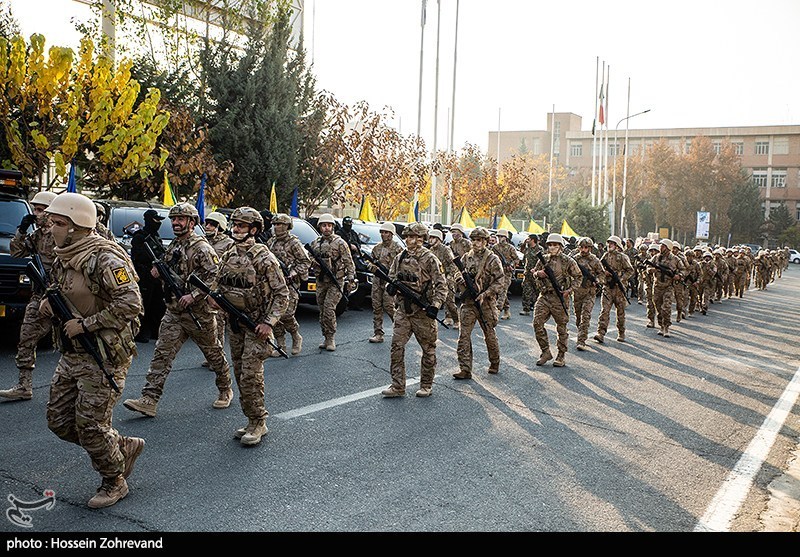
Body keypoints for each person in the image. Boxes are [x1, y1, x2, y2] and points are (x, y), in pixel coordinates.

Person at [39, 192, 144, 509]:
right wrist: (48, 303)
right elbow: (62, 288)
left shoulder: (106, 258)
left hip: (102, 355)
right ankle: (119, 446)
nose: (51, 229)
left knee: (91, 427)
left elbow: (131, 303)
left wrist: (86, 324)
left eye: (58, 223)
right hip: (72, 353)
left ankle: (114, 480)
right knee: (59, 421)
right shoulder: (66, 255)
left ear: (76, 226)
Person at [123, 203, 233, 417]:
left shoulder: (202, 248)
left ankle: (225, 389)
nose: (175, 223)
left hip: (199, 314)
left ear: (192, 223)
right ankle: (149, 399)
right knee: (161, 355)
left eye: (181, 219)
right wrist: (157, 271)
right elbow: (168, 268)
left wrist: (194, 295)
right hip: (174, 312)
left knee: (213, 354)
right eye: (174, 219)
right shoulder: (174, 244)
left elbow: (216, 276)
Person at [209, 207, 289, 445]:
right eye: (234, 225)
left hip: (256, 326)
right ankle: (250, 419)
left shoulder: (264, 258)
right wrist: (213, 296)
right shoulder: (229, 254)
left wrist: (268, 322)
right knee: (238, 371)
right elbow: (217, 282)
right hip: (235, 324)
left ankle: (258, 421)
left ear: (253, 229)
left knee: (250, 376)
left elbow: (282, 294)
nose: (236, 229)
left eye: (241, 226)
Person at [1, 191, 57, 401]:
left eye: (40, 210)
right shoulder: (37, 235)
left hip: (64, 295)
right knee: (26, 337)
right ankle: (24, 386)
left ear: (50, 212)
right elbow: (16, 252)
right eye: (35, 209)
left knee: (73, 343)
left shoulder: (62, 234)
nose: (36, 213)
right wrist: (22, 230)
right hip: (40, 294)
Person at [380, 223, 448, 398]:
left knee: (428, 349)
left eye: (412, 237)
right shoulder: (400, 257)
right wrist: (390, 288)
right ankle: (397, 386)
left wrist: (436, 305)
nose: (408, 240)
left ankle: (426, 384)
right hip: (403, 310)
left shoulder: (430, 259)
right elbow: (392, 277)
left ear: (421, 239)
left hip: (422, 312)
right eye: (407, 237)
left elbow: (441, 285)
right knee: (396, 347)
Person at [452, 226, 505, 379]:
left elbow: (500, 282)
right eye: (474, 240)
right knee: (463, 336)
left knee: (489, 334)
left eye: (479, 240)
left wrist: (486, 293)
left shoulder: (492, 259)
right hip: (468, 302)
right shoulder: (466, 257)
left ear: (485, 241)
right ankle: (465, 368)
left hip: (485, 303)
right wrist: (459, 278)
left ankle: (494, 362)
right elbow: (456, 272)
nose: (476, 243)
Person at [307, 213, 356, 351]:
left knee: (329, 309)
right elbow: (308, 257)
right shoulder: (315, 243)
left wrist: (351, 279)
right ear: (320, 227)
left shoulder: (340, 243)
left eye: (329, 225)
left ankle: (331, 338)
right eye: (324, 225)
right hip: (321, 281)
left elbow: (348, 261)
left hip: (336, 281)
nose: (327, 228)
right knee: (322, 310)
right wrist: (314, 262)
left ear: (333, 227)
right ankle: (325, 336)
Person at [531, 233, 582, 367]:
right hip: (545, 296)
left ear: (560, 246)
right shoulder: (543, 259)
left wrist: (569, 291)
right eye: (550, 245)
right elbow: (535, 272)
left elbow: (578, 277)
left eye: (555, 245)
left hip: (560, 298)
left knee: (561, 328)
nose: (552, 247)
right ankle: (545, 351)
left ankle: (561, 355)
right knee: (537, 323)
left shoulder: (568, 261)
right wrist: (538, 274)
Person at [266, 213, 311, 356]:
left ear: (287, 226)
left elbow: (305, 261)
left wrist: (293, 272)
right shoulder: (271, 242)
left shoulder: (294, 243)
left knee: (287, 314)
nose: (276, 227)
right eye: (275, 224)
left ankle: (296, 336)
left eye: (280, 224)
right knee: (274, 315)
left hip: (290, 285)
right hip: (274, 284)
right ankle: (281, 345)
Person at [200, 211, 234, 366]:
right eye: (207, 223)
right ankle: (211, 356)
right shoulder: (202, 241)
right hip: (203, 287)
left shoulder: (228, 243)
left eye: (212, 224)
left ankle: (218, 359)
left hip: (219, 289)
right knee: (206, 326)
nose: (207, 226)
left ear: (220, 227)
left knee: (218, 324)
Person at [129, 209, 166, 343]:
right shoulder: (140, 236)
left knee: (157, 303)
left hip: (156, 276)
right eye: (155, 220)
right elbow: (138, 256)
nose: (158, 223)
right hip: (144, 275)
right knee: (144, 303)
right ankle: (140, 331)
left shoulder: (155, 236)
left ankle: (154, 330)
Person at [366, 222, 403, 343]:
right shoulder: (377, 248)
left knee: (389, 306)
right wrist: (371, 267)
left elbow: (403, 265)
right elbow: (370, 261)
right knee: (376, 306)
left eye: (386, 232)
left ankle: (399, 329)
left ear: (392, 234)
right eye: (382, 232)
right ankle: (378, 333)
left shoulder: (398, 249)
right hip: (377, 280)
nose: (383, 235)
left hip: (390, 281)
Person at [594, 235, 635, 343]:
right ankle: (601, 333)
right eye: (609, 243)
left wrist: (621, 279)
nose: (609, 245)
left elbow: (630, 270)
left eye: (612, 243)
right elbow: (599, 268)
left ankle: (621, 332)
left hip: (619, 289)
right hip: (607, 287)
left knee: (620, 312)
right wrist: (604, 273)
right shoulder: (605, 256)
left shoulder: (622, 257)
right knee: (604, 311)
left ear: (617, 245)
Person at [571, 237, 604, 351]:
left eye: (586, 247)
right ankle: (581, 331)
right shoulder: (574, 259)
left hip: (589, 292)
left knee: (585, 316)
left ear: (590, 248)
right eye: (581, 247)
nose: (583, 250)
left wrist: (597, 280)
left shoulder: (595, 260)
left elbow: (601, 274)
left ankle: (581, 340)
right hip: (577, 292)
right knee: (578, 317)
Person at [648, 238, 684, 338]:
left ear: (668, 248)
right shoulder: (656, 257)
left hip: (668, 286)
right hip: (657, 286)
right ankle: (661, 325)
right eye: (660, 246)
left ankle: (666, 327)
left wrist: (679, 276)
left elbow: (684, 270)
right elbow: (648, 267)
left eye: (663, 246)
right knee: (658, 307)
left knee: (666, 307)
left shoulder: (675, 259)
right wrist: (651, 270)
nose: (660, 248)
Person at [426, 228, 460, 329]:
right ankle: (448, 317)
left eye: (433, 238)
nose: (430, 240)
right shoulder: (430, 251)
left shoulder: (446, 249)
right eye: (430, 237)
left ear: (439, 239)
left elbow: (453, 264)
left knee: (449, 301)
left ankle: (456, 320)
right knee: (438, 299)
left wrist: (449, 277)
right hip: (436, 279)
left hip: (447, 277)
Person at [491, 229, 519, 320]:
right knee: (500, 292)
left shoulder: (511, 248)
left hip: (506, 273)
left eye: (501, 236)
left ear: (505, 237)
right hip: (497, 273)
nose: (499, 238)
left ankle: (497, 311)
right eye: (498, 236)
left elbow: (516, 259)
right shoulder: (494, 247)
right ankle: (506, 309)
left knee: (502, 290)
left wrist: (511, 265)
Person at [519, 233, 542, 316]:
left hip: (536, 274)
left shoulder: (540, 249)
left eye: (528, 239)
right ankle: (526, 309)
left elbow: (543, 262)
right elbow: (521, 251)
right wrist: (524, 242)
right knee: (526, 291)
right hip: (527, 274)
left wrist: (537, 270)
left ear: (533, 240)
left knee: (537, 292)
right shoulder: (527, 249)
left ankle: (538, 309)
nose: (527, 240)